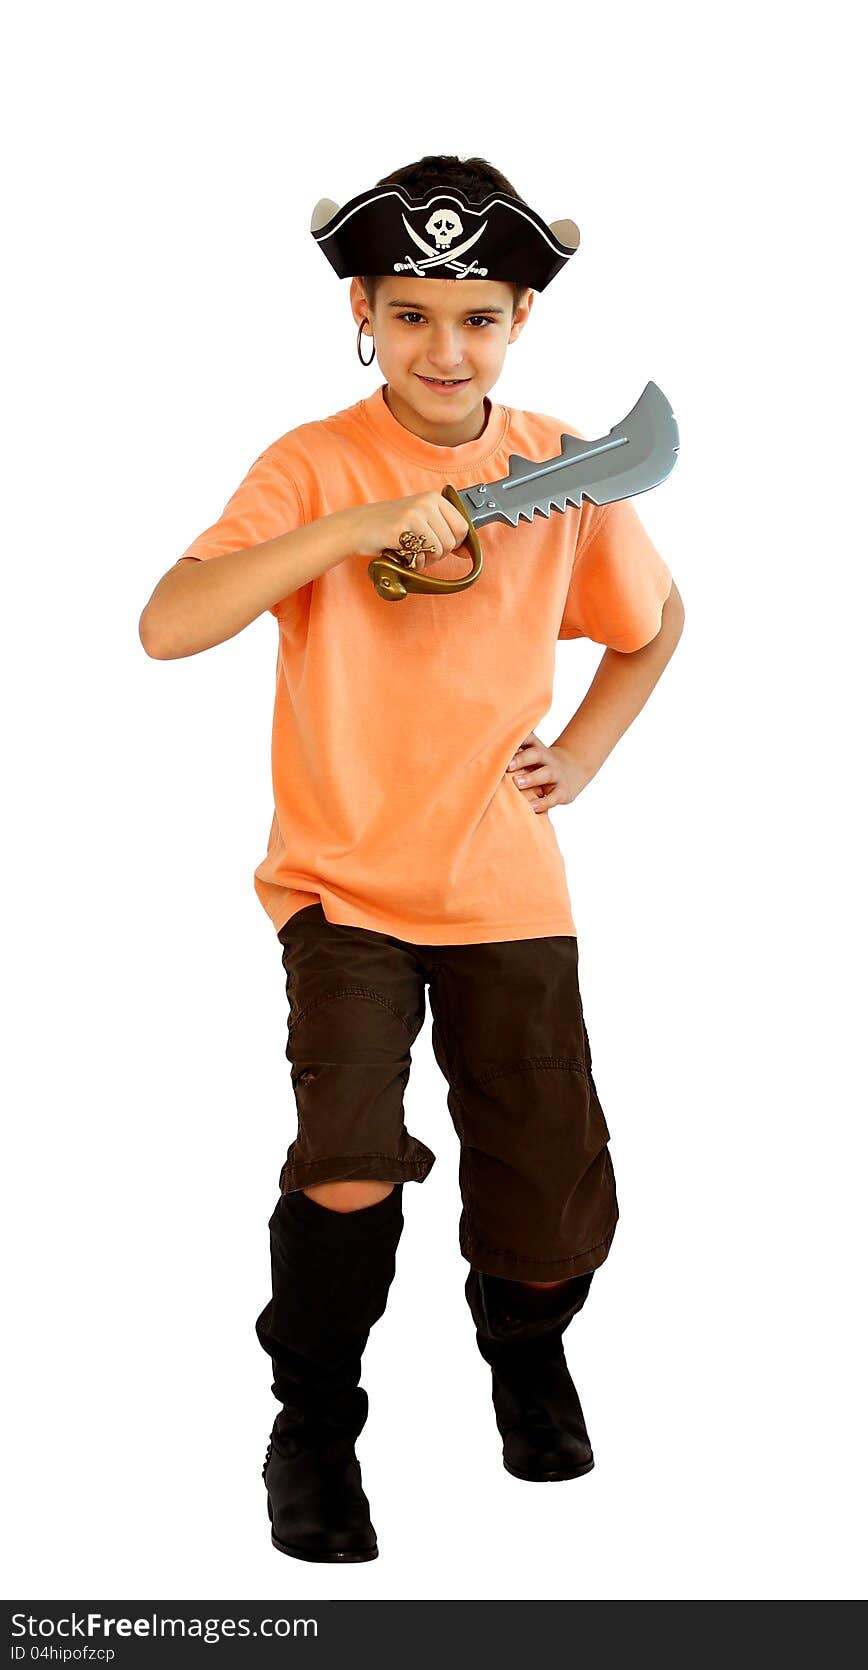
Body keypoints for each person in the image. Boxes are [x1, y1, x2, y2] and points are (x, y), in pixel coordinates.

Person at [138, 153, 685, 1565]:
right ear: (365, 316)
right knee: (344, 1161)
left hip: (506, 883)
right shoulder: (312, 461)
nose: (447, 348)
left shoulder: (559, 471)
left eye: (480, 317)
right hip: (344, 886)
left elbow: (651, 626)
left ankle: (526, 1346)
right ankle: (312, 1425)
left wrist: (585, 753)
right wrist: (355, 526)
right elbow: (171, 621)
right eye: (414, 314)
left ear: (518, 323)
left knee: (551, 1186)